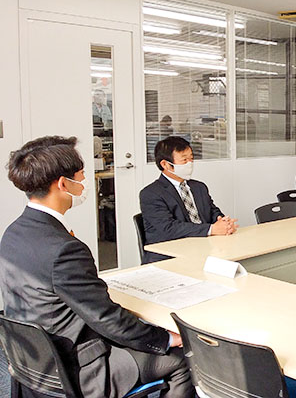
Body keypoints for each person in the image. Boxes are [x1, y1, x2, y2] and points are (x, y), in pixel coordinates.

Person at [0, 136, 193, 397]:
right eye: (81, 176)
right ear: (63, 184)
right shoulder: (64, 249)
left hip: (33, 360)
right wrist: (165, 338)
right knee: (183, 360)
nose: (85, 182)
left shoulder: (13, 232)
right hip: (77, 367)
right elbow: (107, 319)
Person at [140, 136, 237, 263]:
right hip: (169, 256)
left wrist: (223, 223)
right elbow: (168, 228)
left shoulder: (199, 187)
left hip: (203, 248)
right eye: (184, 160)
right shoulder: (151, 193)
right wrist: (211, 229)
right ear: (165, 164)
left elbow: (213, 211)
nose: (189, 163)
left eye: (191, 159)